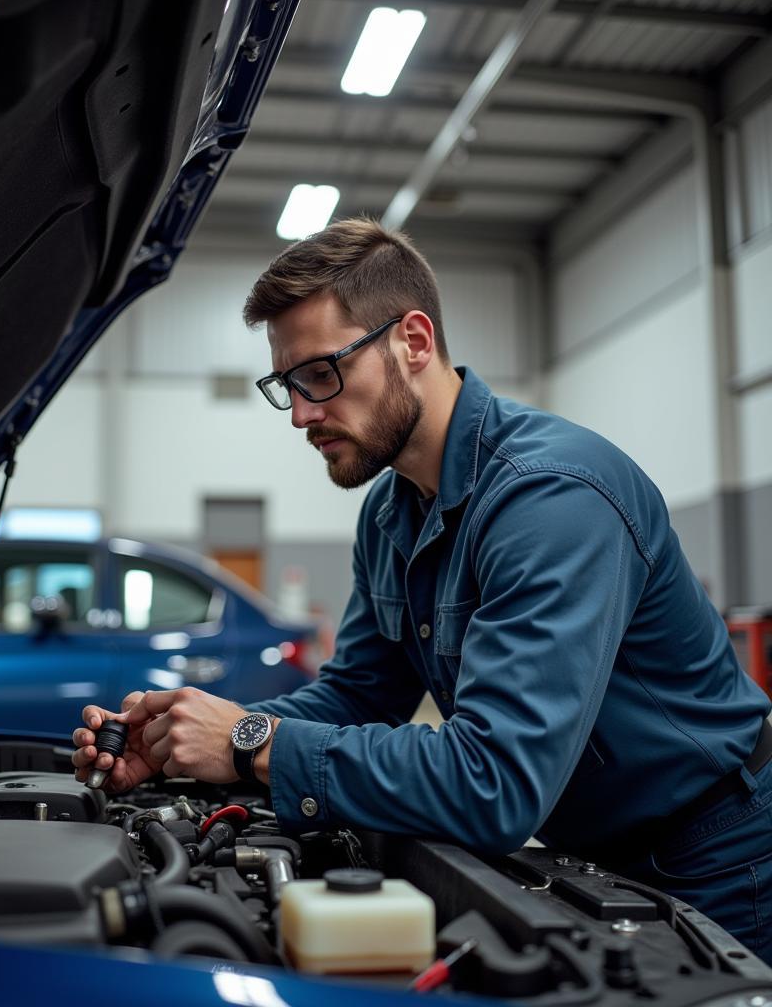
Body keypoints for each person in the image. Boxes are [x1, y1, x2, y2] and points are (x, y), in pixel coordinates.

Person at [73, 217, 772, 961]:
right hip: (594, 855)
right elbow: (357, 696)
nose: (304, 413)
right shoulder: (391, 510)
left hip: (721, 859)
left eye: (321, 373)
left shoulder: (553, 498)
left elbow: (495, 781)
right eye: (288, 386)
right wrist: (188, 736)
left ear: (413, 341)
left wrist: (251, 744)